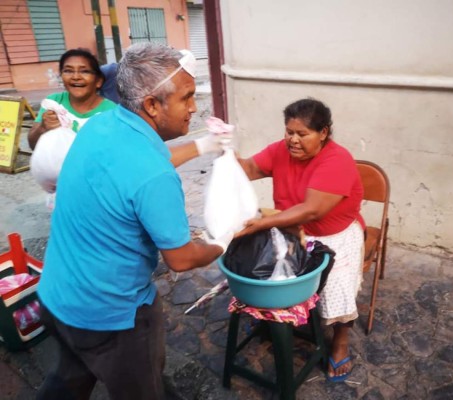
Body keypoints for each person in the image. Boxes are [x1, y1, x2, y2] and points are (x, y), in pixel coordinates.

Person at [36, 43, 233, 400]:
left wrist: (205, 146)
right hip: (110, 317)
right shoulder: (154, 176)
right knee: (142, 390)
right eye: (187, 97)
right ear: (152, 105)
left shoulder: (104, 125)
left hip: (57, 294)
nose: (194, 107)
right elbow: (181, 258)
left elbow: (138, 168)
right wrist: (224, 240)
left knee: (71, 376)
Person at [236, 98, 365, 382]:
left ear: (324, 133)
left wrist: (263, 222)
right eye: (289, 132)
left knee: (336, 291)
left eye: (302, 134)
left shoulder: (337, 160)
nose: (293, 140)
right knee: (267, 273)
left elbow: (312, 209)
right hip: (291, 229)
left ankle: (340, 340)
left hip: (334, 235)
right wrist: (222, 151)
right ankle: (274, 319)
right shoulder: (281, 151)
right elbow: (246, 169)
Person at [28, 48, 117, 150]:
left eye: (85, 71)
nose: (75, 77)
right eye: (68, 71)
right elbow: (32, 145)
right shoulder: (53, 103)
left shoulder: (111, 111)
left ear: (98, 81)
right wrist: (43, 128)